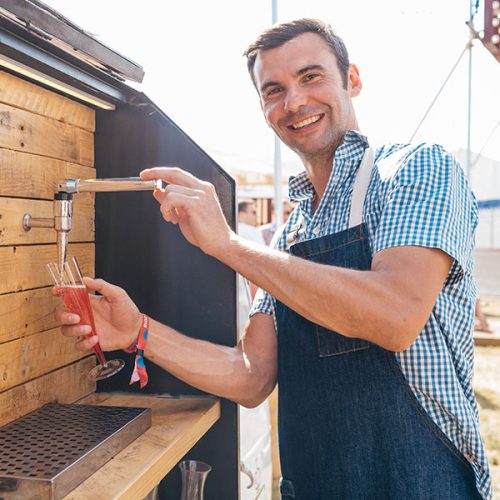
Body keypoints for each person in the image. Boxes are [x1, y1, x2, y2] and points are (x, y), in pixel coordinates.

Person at [57, 18, 491, 499]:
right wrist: (138, 331)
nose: (295, 102)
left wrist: (228, 245)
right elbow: (251, 375)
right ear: (264, 108)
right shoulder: (291, 235)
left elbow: (395, 315)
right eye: (274, 90)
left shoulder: (415, 170)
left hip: (419, 485)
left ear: (352, 79)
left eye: (311, 76)